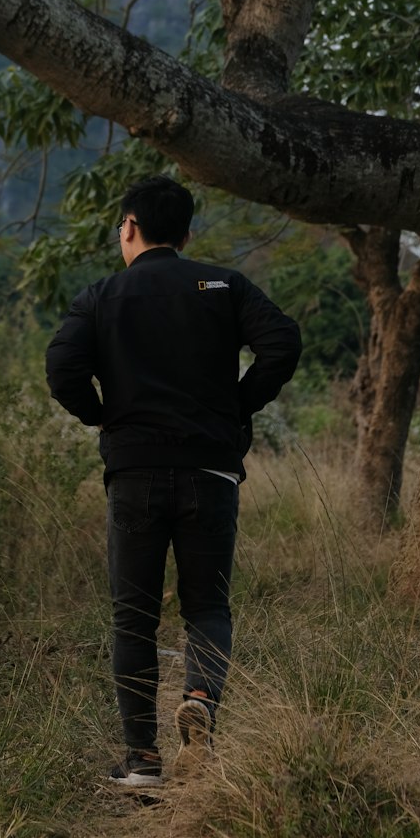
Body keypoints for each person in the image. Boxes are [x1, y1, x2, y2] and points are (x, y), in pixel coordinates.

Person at [45, 175, 302, 789]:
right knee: (207, 606)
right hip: (210, 471)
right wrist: (236, 409)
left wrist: (103, 414)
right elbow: (281, 342)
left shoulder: (101, 296)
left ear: (129, 227)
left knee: (132, 618)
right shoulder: (223, 285)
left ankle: (143, 761)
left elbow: (61, 367)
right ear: (187, 234)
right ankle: (200, 702)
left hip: (132, 472)